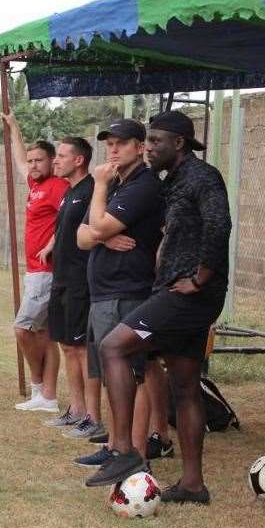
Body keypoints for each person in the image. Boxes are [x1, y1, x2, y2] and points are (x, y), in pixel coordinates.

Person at [84, 111, 231, 505]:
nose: (149, 149)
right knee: (184, 386)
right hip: (177, 289)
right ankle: (193, 485)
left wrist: (200, 278)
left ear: (179, 143)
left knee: (113, 346)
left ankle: (126, 452)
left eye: (155, 142)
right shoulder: (173, 182)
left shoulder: (204, 176)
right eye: (147, 142)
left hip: (189, 294)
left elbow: (219, 226)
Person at [73, 119, 170, 470]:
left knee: (133, 373)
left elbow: (94, 226)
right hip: (103, 291)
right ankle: (116, 445)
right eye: (109, 143)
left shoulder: (142, 186)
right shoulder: (115, 185)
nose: (112, 150)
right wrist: (103, 234)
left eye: (121, 143)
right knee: (110, 374)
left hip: (128, 290)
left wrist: (98, 189)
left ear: (139, 147)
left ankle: (134, 453)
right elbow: (81, 237)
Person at [1, 113, 69, 412]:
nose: (33, 165)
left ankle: (38, 385)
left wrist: (51, 245)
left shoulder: (57, 186)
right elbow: (18, 159)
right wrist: (14, 127)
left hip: (46, 270)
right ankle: (48, 398)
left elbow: (68, 220)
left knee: (23, 328)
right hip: (34, 270)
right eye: (31, 161)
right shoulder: (34, 185)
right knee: (45, 334)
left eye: (39, 160)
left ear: (52, 161)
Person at [41, 135, 105, 437]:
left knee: (81, 349)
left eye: (62, 156)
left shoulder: (93, 189)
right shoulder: (69, 192)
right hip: (61, 278)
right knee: (67, 345)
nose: (56, 160)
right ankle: (76, 410)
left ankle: (93, 416)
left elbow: (98, 229)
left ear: (78, 160)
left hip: (82, 282)